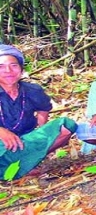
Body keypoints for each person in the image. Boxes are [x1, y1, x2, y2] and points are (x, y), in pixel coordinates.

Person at [0, 44, 77, 180]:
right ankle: (22, 166)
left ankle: (27, 162)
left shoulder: (32, 90)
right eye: (1, 67)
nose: (8, 71)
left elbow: (43, 109)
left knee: (65, 126)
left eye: (13, 65)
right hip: (2, 147)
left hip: (26, 141)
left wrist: (42, 134)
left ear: (21, 69)